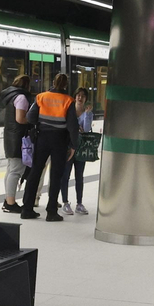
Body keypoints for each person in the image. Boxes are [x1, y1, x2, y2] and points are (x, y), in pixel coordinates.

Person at [20, 73, 79, 222]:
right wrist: (73, 145)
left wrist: (41, 122)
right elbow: (72, 126)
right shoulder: (68, 100)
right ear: (66, 85)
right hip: (60, 139)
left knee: (35, 172)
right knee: (56, 175)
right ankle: (51, 211)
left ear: (53, 82)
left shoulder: (41, 97)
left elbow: (30, 117)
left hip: (42, 138)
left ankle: (27, 208)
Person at [0, 72, 33, 214]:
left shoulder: (10, 96)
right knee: (16, 171)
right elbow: (20, 118)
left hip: (10, 136)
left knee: (11, 170)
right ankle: (10, 203)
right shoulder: (21, 97)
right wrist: (31, 120)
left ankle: (8, 200)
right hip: (18, 138)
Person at [60, 86, 94, 215]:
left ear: (86, 99)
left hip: (81, 148)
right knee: (65, 175)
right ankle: (65, 202)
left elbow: (85, 128)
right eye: (78, 95)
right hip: (68, 146)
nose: (80, 98)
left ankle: (79, 203)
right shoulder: (69, 110)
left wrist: (87, 114)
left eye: (83, 96)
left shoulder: (88, 113)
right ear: (75, 97)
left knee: (79, 176)